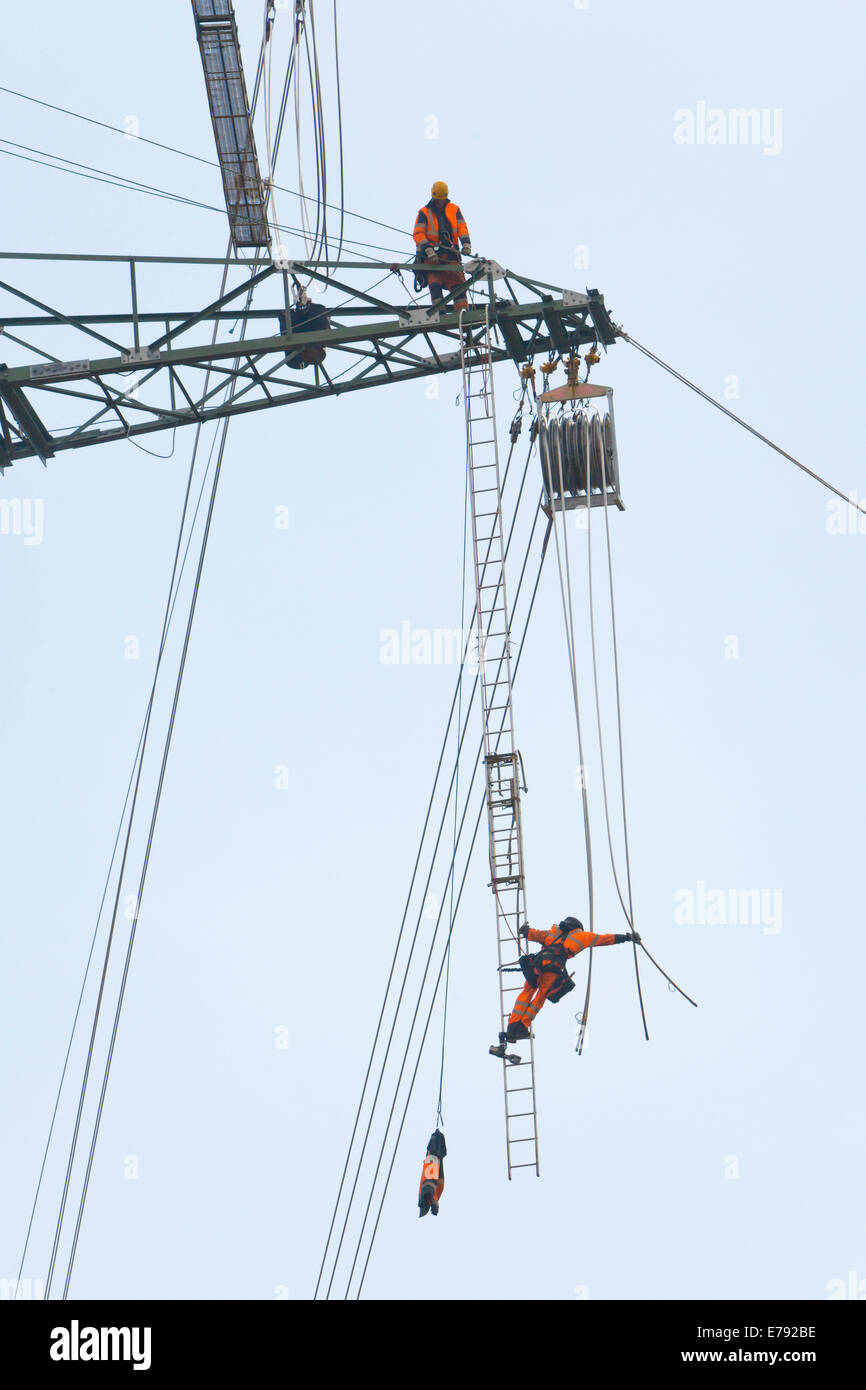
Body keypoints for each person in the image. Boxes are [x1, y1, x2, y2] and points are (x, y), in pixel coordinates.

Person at [490, 917, 640, 1053]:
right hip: (552, 969)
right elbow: (605, 939)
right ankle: (522, 1027)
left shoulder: (555, 933)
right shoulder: (582, 936)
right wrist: (627, 937)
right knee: (540, 997)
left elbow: (538, 935)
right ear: (577, 927)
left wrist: (526, 931)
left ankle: (513, 1026)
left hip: (536, 965)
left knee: (526, 992)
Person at [413, 180, 473, 311]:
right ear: (433, 197)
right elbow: (419, 233)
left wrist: (466, 244)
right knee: (435, 288)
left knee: (458, 286)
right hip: (432, 260)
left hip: (451, 258)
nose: (440, 203)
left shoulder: (454, 209)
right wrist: (428, 250)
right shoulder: (424, 212)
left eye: (442, 200)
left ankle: (463, 315)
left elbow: (462, 228)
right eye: (438, 200)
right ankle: (439, 314)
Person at [418, 1129, 447, 1217]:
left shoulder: (431, 1193)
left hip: (433, 1158)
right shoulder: (436, 1194)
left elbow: (431, 1178)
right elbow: (439, 1175)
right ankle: (436, 1142)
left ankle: (436, 1142)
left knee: (433, 1154)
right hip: (434, 1158)